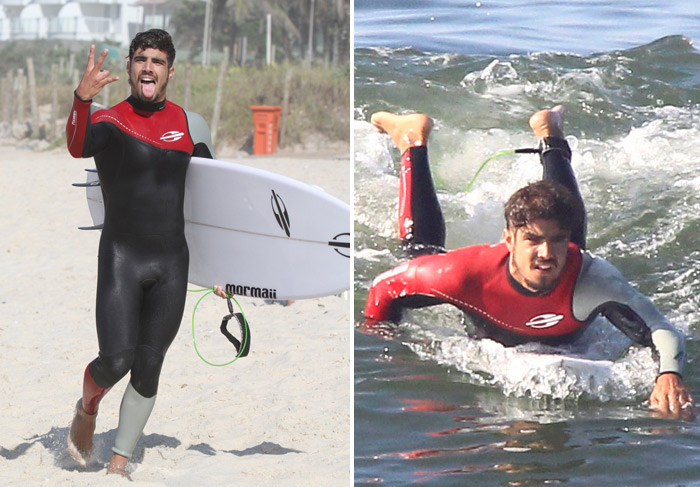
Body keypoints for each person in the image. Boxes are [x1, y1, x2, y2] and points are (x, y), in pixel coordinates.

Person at [363, 106, 694, 419]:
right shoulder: (463, 273)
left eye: (556, 241)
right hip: (482, 318)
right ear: (508, 239)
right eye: (532, 241)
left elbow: (661, 330)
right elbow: (384, 287)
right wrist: (385, 339)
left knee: (567, 224)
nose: (547, 253)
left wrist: (669, 375)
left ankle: (551, 134)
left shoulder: (593, 278)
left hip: (567, 316)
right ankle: (411, 140)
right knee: (420, 254)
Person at [65, 29, 215, 476]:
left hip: (172, 263)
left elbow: (216, 203)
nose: (149, 67)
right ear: (130, 67)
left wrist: (223, 271)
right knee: (116, 360)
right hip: (122, 258)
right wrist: (81, 99)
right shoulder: (108, 121)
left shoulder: (193, 126)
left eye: (158, 61)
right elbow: (76, 146)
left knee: (148, 366)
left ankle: (117, 466)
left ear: (171, 70)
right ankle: (88, 406)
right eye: (141, 59)